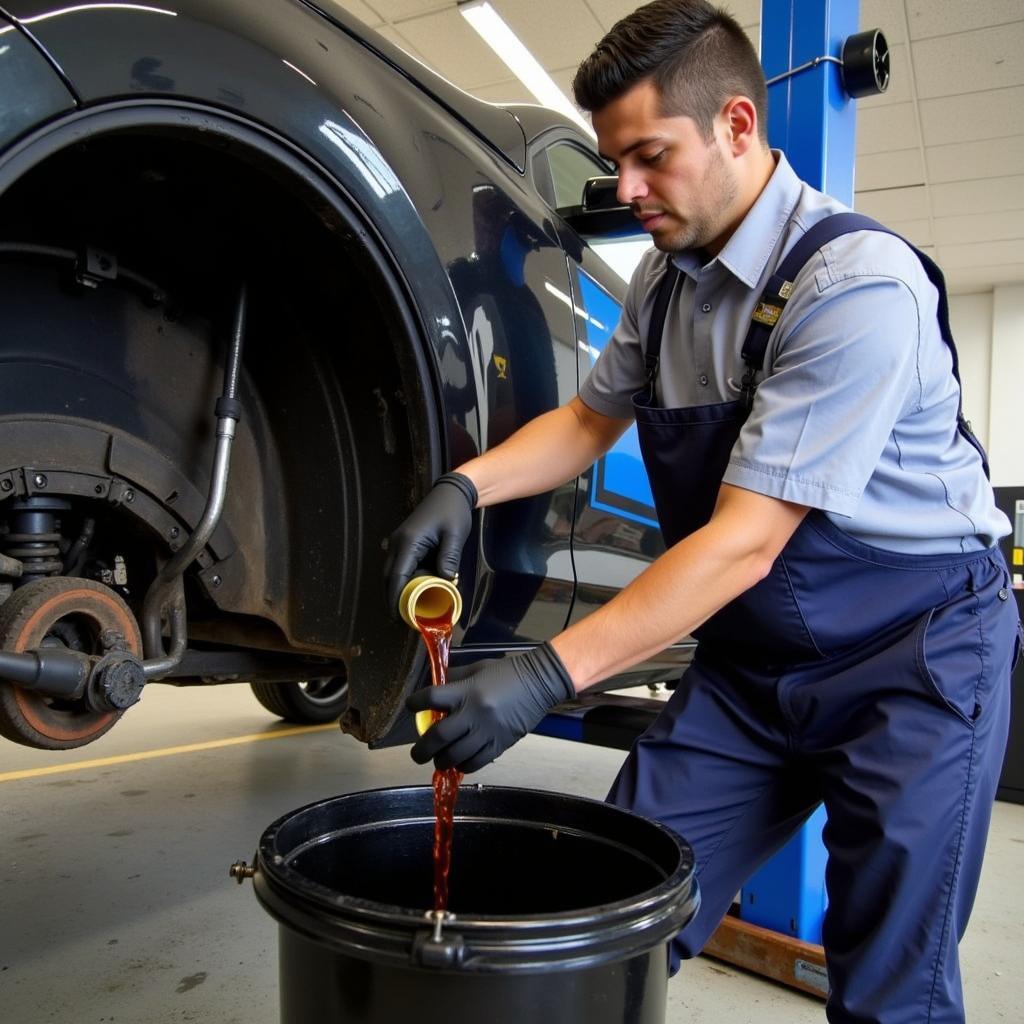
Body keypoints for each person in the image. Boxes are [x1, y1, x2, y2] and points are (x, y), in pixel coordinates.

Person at [383, 2, 1022, 1020]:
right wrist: (466, 485)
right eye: (614, 160)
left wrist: (544, 674)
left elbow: (743, 542)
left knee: (890, 984)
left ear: (735, 124)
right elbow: (589, 422)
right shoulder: (665, 285)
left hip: (914, 658)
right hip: (756, 668)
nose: (625, 189)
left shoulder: (855, 285)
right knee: (617, 908)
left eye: (648, 157)